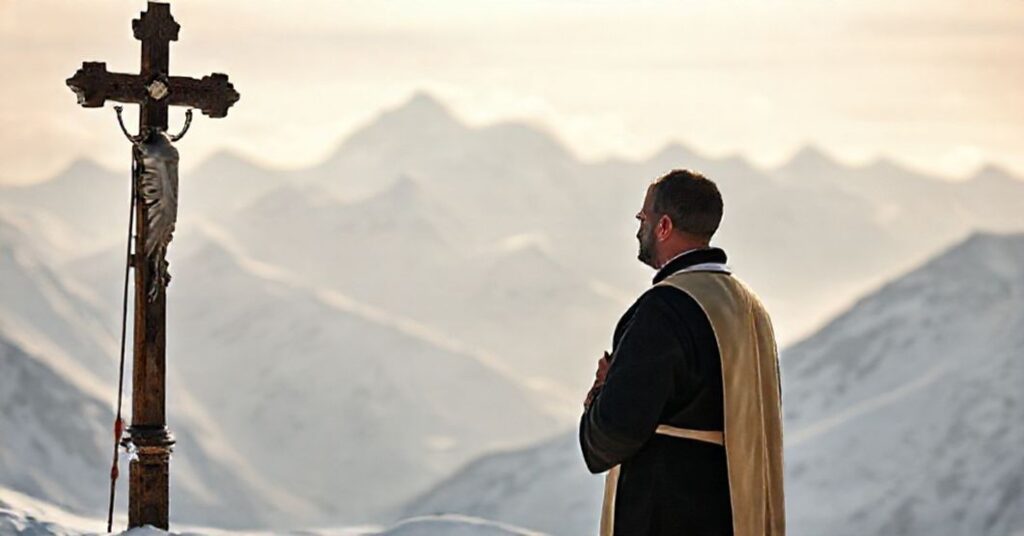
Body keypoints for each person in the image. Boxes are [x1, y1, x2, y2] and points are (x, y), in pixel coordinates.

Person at [579, 169, 785, 536]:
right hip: (731, 513)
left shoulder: (665, 308)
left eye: (643, 217)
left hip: (667, 512)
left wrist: (599, 392)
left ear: (664, 227)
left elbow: (612, 435)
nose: (638, 228)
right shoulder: (752, 310)